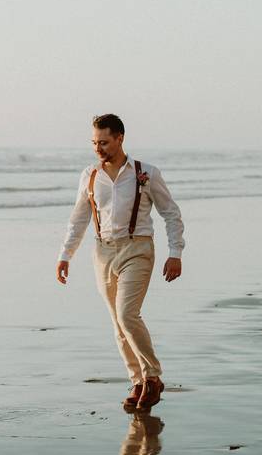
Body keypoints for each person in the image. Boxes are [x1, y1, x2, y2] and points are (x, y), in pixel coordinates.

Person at [56, 114, 184, 411]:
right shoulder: (89, 175)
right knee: (117, 323)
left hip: (137, 249)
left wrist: (175, 252)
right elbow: (78, 220)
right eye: (94, 142)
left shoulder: (146, 173)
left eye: (103, 142)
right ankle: (137, 381)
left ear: (119, 138)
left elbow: (171, 213)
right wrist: (65, 255)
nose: (98, 148)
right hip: (102, 252)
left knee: (128, 315)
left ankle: (153, 377)